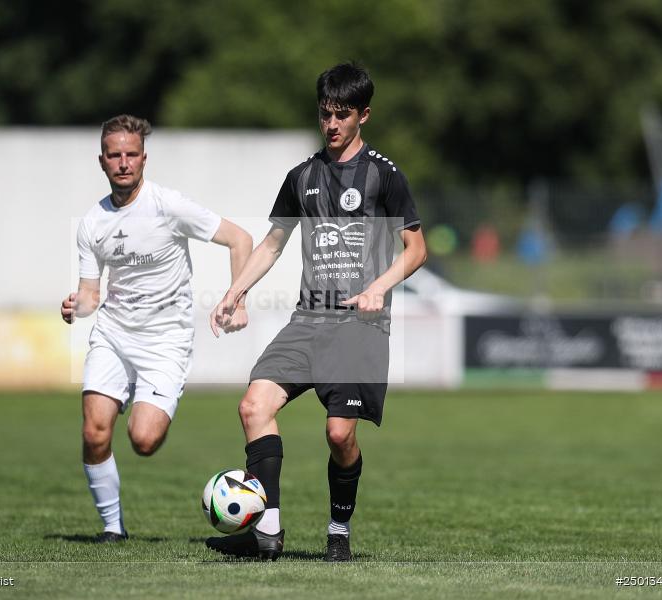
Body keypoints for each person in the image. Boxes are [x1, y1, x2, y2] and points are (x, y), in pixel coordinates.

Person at [205, 63, 427, 561]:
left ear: (362, 116)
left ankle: (339, 530)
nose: (330, 123)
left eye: (341, 115)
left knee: (338, 435)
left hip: (361, 325)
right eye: (325, 113)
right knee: (253, 406)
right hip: (308, 321)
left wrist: (379, 287)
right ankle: (268, 531)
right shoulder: (300, 177)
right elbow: (272, 243)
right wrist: (234, 292)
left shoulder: (384, 176)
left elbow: (416, 250)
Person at [61, 114, 252, 542]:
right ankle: (113, 529)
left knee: (143, 441)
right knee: (94, 431)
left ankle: (147, 405)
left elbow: (240, 239)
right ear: (102, 161)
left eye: (131, 154)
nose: (123, 162)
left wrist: (237, 299)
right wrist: (78, 305)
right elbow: (91, 294)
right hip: (113, 334)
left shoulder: (169, 206)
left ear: (144, 159)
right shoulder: (91, 224)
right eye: (115, 155)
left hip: (166, 340)